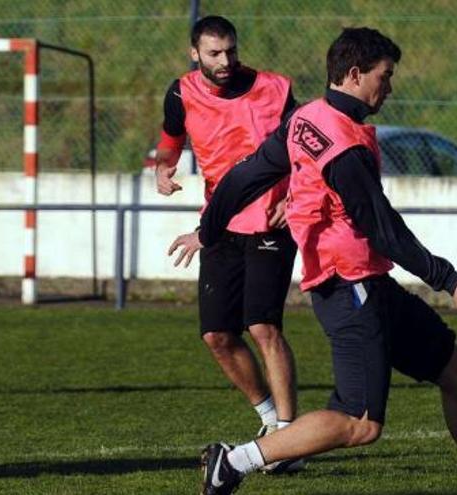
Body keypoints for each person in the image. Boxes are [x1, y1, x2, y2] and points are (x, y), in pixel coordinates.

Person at [188, 27, 457, 495]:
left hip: (370, 283)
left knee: (456, 373)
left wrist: (207, 229)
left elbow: (243, 176)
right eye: (384, 76)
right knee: (361, 423)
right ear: (354, 75)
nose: (388, 88)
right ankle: (235, 461)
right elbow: (382, 227)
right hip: (347, 288)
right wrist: (447, 278)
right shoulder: (343, 146)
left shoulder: (306, 117)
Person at [158, 15, 302, 473]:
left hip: (271, 223)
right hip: (219, 225)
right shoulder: (181, 93)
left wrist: (295, 197)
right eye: (215, 53)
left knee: (263, 326)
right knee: (217, 335)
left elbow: (306, 149)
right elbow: (171, 136)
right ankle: (268, 421)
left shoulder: (275, 89)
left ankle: (289, 436)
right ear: (194, 53)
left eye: (231, 51)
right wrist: (165, 166)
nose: (226, 61)